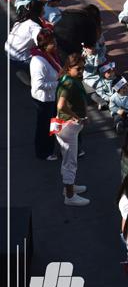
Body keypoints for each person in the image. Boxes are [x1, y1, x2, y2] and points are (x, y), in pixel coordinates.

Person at [55, 53, 90, 206]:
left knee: (67, 158)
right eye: (78, 69)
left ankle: (69, 187)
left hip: (63, 124)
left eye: (83, 68)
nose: (81, 71)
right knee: (70, 162)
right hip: (68, 126)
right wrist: (76, 116)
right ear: (69, 68)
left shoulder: (67, 78)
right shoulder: (69, 83)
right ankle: (69, 196)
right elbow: (61, 105)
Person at [29, 29, 61, 160]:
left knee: (54, 122)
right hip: (44, 100)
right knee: (44, 127)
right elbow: (38, 85)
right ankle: (44, 152)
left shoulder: (50, 55)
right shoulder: (39, 62)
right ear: (44, 45)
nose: (55, 44)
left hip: (52, 96)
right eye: (52, 42)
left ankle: (52, 146)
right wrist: (57, 83)